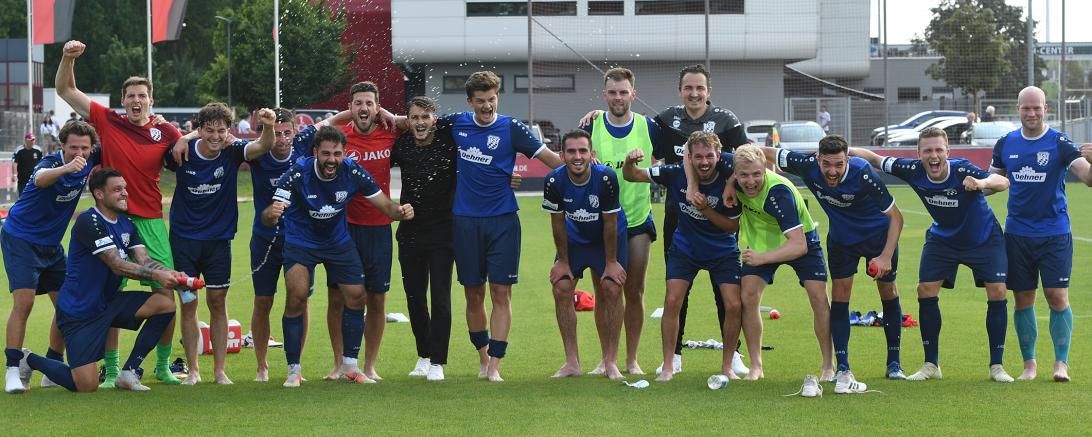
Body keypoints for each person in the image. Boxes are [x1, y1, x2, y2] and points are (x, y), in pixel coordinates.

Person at [56, 39, 183, 385]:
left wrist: (191, 137)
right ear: (123, 100)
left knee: (164, 291)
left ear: (151, 101)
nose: (137, 101)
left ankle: (159, 365)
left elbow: (191, 147)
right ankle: (111, 371)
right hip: (115, 220)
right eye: (131, 96)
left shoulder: (167, 131)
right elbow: (66, 89)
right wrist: (69, 58)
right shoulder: (106, 119)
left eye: (143, 95)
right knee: (110, 295)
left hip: (152, 221)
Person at [850, 127, 1014, 383]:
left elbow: (1002, 182)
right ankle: (931, 364)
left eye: (939, 150)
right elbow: (875, 159)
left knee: (998, 291)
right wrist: (846, 152)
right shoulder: (912, 169)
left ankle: (997, 366)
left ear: (948, 151)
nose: (934, 155)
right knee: (925, 289)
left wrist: (980, 183)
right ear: (919, 153)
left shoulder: (962, 169)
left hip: (983, 238)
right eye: (928, 150)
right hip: (944, 239)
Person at [262, 125, 413, 387]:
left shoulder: (352, 171)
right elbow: (267, 217)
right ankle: (293, 370)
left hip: (337, 242)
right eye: (326, 154)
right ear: (315, 152)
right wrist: (272, 213)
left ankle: (350, 367)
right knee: (296, 297)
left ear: (344, 154)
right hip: (301, 241)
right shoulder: (298, 171)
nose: (332, 160)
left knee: (357, 296)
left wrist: (401, 211)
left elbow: (386, 206)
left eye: (338, 154)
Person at [436, 71, 562, 381]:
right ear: (470, 102)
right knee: (473, 294)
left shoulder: (512, 128)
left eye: (491, 99)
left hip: (504, 221)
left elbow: (552, 160)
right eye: (480, 101)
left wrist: (585, 168)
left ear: (497, 97)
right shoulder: (456, 123)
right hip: (465, 222)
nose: (487, 106)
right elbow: (416, 122)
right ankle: (482, 357)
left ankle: (495, 364)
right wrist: (385, 114)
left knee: (501, 293)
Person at [758, 134, 907, 392]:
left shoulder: (863, 174)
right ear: (818, 158)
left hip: (878, 238)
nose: (832, 170)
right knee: (840, 295)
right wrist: (738, 158)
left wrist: (884, 256)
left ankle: (894, 363)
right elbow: (768, 153)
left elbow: (897, 217)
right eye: (827, 164)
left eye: (839, 164)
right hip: (842, 240)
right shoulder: (806, 165)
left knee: (888, 290)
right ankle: (843, 367)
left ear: (847, 159)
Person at [17, 168, 183, 393]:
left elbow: (144, 260)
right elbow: (117, 264)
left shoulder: (126, 224)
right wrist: (158, 276)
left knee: (165, 305)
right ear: (99, 194)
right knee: (86, 385)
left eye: (125, 188)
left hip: (108, 303)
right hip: (80, 311)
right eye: (117, 189)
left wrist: (173, 274)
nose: (124, 193)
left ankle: (129, 372)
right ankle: (29, 359)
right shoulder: (89, 221)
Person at [164, 104, 275, 385]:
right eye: (209, 130)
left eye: (221, 130)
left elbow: (263, 146)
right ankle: (193, 371)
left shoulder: (232, 151)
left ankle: (219, 370)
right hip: (184, 240)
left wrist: (269, 125)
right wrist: (183, 138)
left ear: (229, 131)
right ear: (199, 130)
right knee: (188, 304)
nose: (215, 136)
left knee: (217, 302)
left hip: (218, 242)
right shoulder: (182, 153)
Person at [991, 86, 1092, 382]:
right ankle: (1029, 365)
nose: (1031, 113)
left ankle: (1061, 364)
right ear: (1018, 109)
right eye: (1026, 108)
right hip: (1017, 234)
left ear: (1046, 108)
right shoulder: (1005, 143)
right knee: (1023, 299)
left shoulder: (1060, 142)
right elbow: (994, 178)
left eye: (1037, 108)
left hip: (1054, 233)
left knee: (1057, 296)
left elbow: (1087, 177)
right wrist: (975, 183)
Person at [623, 131, 742, 382]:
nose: (704, 162)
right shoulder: (675, 172)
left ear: (718, 156)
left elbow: (732, 227)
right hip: (685, 248)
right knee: (673, 301)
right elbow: (631, 175)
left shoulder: (732, 173)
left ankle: (728, 366)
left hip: (722, 249)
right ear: (689, 157)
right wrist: (629, 161)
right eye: (697, 157)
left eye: (709, 156)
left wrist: (705, 209)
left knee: (733, 305)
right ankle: (668, 366)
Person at [241, 108, 347, 382]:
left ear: (295, 132)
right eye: (276, 133)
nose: (282, 138)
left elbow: (335, 119)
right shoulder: (257, 153)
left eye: (287, 132)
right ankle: (261, 367)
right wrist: (186, 137)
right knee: (263, 300)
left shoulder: (303, 144)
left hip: (300, 240)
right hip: (265, 239)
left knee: (300, 300)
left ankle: (295, 366)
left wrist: (382, 112)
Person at [3, 121, 99, 393]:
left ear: (92, 148)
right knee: (24, 303)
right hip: (21, 238)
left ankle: (51, 365)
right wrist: (68, 167)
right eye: (72, 148)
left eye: (84, 148)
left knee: (68, 307)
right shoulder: (49, 163)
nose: (78, 153)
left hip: (52, 245)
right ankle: (13, 369)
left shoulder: (91, 156)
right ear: (62, 147)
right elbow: (42, 178)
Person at [729, 144, 833, 395]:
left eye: (756, 174)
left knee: (819, 297)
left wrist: (763, 258)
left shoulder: (779, 193)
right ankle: (756, 366)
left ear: (765, 168)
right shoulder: (730, 172)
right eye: (744, 175)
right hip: (763, 241)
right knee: (747, 295)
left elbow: (798, 246)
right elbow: (696, 154)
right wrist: (725, 185)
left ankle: (829, 366)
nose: (750, 181)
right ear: (734, 173)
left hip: (800, 241)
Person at [577, 67, 660, 376]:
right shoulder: (590, 125)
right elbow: (572, 164)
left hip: (637, 220)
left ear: (633, 94)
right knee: (603, 291)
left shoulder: (649, 127)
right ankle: (605, 358)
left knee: (634, 291)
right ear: (604, 95)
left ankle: (631, 359)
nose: (618, 97)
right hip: (601, 223)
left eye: (623, 92)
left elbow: (674, 158)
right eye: (612, 92)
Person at [324, 81, 402, 382]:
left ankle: (369, 365)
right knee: (336, 298)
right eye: (358, 103)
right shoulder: (339, 137)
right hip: (344, 229)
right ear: (350, 106)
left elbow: (422, 121)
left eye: (370, 103)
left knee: (377, 299)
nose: (364, 109)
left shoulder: (391, 131)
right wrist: (340, 116)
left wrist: (394, 117)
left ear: (378, 106)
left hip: (380, 228)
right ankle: (339, 364)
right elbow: (324, 126)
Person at [544, 130, 628, 380]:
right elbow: (557, 223)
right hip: (575, 239)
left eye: (583, 151)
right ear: (562, 155)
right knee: (561, 287)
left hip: (607, 240)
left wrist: (611, 263)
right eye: (571, 151)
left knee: (612, 289)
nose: (577, 156)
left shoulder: (606, 178)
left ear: (592, 154)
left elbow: (611, 223)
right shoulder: (553, 181)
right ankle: (572, 362)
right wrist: (563, 261)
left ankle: (610, 361)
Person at [391, 97, 456, 381]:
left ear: (434, 119)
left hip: (443, 232)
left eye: (425, 117)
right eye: (414, 118)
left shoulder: (448, 141)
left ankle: (438, 362)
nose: (420, 123)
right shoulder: (403, 144)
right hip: (410, 232)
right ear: (408, 120)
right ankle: (424, 355)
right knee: (415, 298)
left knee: (440, 298)